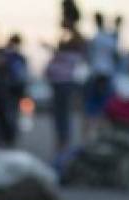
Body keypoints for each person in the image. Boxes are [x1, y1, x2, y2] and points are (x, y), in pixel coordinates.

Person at [44, 16, 86, 155]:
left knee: (61, 113)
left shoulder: (74, 45)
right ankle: (62, 140)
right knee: (59, 113)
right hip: (59, 82)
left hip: (63, 82)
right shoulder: (67, 43)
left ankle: (64, 141)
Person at [82, 12, 118, 142]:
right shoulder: (110, 38)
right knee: (105, 107)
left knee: (91, 108)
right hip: (107, 75)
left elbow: (88, 56)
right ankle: (101, 138)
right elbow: (116, 55)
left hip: (97, 74)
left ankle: (89, 138)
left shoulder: (95, 38)